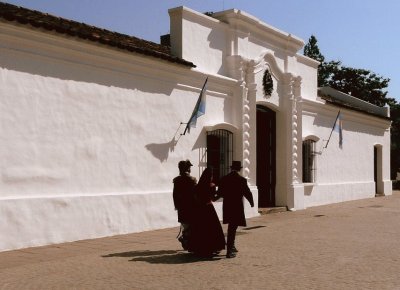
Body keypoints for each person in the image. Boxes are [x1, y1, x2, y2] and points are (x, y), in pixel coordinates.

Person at [217, 161, 254, 258]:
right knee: (232, 228)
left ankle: (231, 246)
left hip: (228, 205)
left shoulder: (224, 179)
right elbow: (247, 192)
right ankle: (229, 251)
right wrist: (251, 202)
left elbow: (220, 192)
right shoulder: (241, 180)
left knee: (232, 226)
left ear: (231, 168)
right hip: (237, 206)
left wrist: (213, 198)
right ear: (240, 169)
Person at [189, 167, 226, 257]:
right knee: (211, 229)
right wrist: (220, 194)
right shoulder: (211, 186)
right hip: (208, 208)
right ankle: (211, 247)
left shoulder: (197, 186)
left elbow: (195, 197)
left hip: (199, 209)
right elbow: (213, 198)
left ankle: (199, 248)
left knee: (200, 228)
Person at [172, 160, 197, 250]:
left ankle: (186, 242)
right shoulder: (192, 179)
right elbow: (195, 194)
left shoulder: (177, 180)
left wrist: (176, 205)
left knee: (185, 224)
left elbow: (174, 194)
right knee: (190, 225)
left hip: (181, 206)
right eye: (189, 167)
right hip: (191, 206)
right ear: (188, 168)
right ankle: (186, 241)